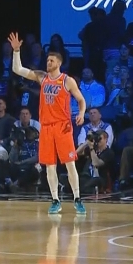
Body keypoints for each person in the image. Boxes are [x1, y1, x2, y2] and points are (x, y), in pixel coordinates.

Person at [8, 32, 87, 215]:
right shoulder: (42, 77)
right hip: (46, 127)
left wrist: (82, 113)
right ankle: (55, 200)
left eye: (51, 60)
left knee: (69, 164)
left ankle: (77, 198)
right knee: (50, 166)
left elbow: (81, 100)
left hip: (62, 126)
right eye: (47, 60)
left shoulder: (67, 80)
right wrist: (17, 51)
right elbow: (18, 69)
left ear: (59, 63)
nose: (48, 62)